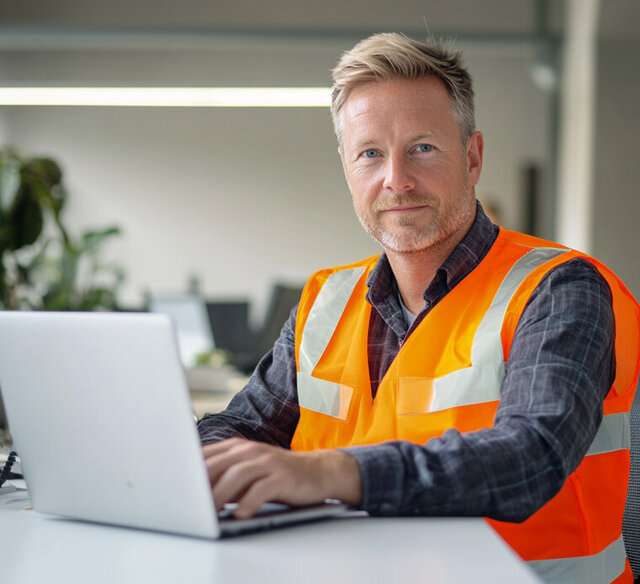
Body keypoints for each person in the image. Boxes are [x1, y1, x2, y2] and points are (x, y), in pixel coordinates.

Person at [197, 33, 640, 584]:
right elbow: (241, 425)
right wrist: (201, 465)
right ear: (347, 168)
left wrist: (332, 473)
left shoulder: (559, 289)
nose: (396, 179)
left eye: (423, 148)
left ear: (473, 157)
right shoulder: (325, 301)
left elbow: (532, 457)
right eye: (371, 154)